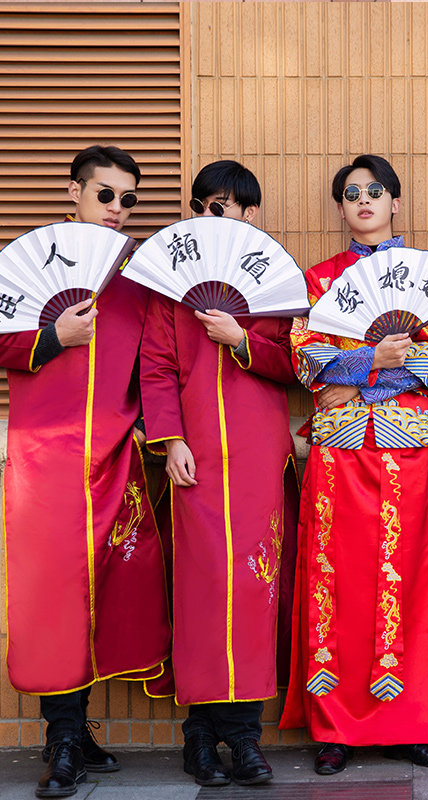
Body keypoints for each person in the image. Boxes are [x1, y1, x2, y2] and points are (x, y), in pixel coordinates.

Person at [0, 145, 170, 798]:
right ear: (73, 192)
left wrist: (155, 427)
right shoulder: (32, 262)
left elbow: (155, 360)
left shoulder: (139, 273)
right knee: (53, 598)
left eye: (128, 199)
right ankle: (63, 739)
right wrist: (53, 339)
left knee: (110, 589)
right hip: (45, 457)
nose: (117, 208)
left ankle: (78, 729)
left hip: (115, 454)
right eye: (105, 194)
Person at [280, 154, 428, 774]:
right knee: (337, 580)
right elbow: (306, 361)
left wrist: (359, 375)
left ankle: (412, 725)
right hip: (339, 455)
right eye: (351, 193)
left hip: (406, 449)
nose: (363, 201)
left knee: (407, 580)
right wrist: (375, 359)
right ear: (340, 207)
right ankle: (337, 729)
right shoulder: (320, 279)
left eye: (375, 191)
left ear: (395, 202)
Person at [139, 160, 298, 787]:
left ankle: (245, 738)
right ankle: (200, 737)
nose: (214, 214)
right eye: (204, 205)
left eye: (227, 205)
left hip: (259, 456)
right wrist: (171, 439)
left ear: (249, 214)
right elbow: (156, 368)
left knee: (255, 591)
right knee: (203, 592)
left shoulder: (275, 284)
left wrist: (242, 339)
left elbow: (296, 364)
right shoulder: (170, 290)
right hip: (197, 458)